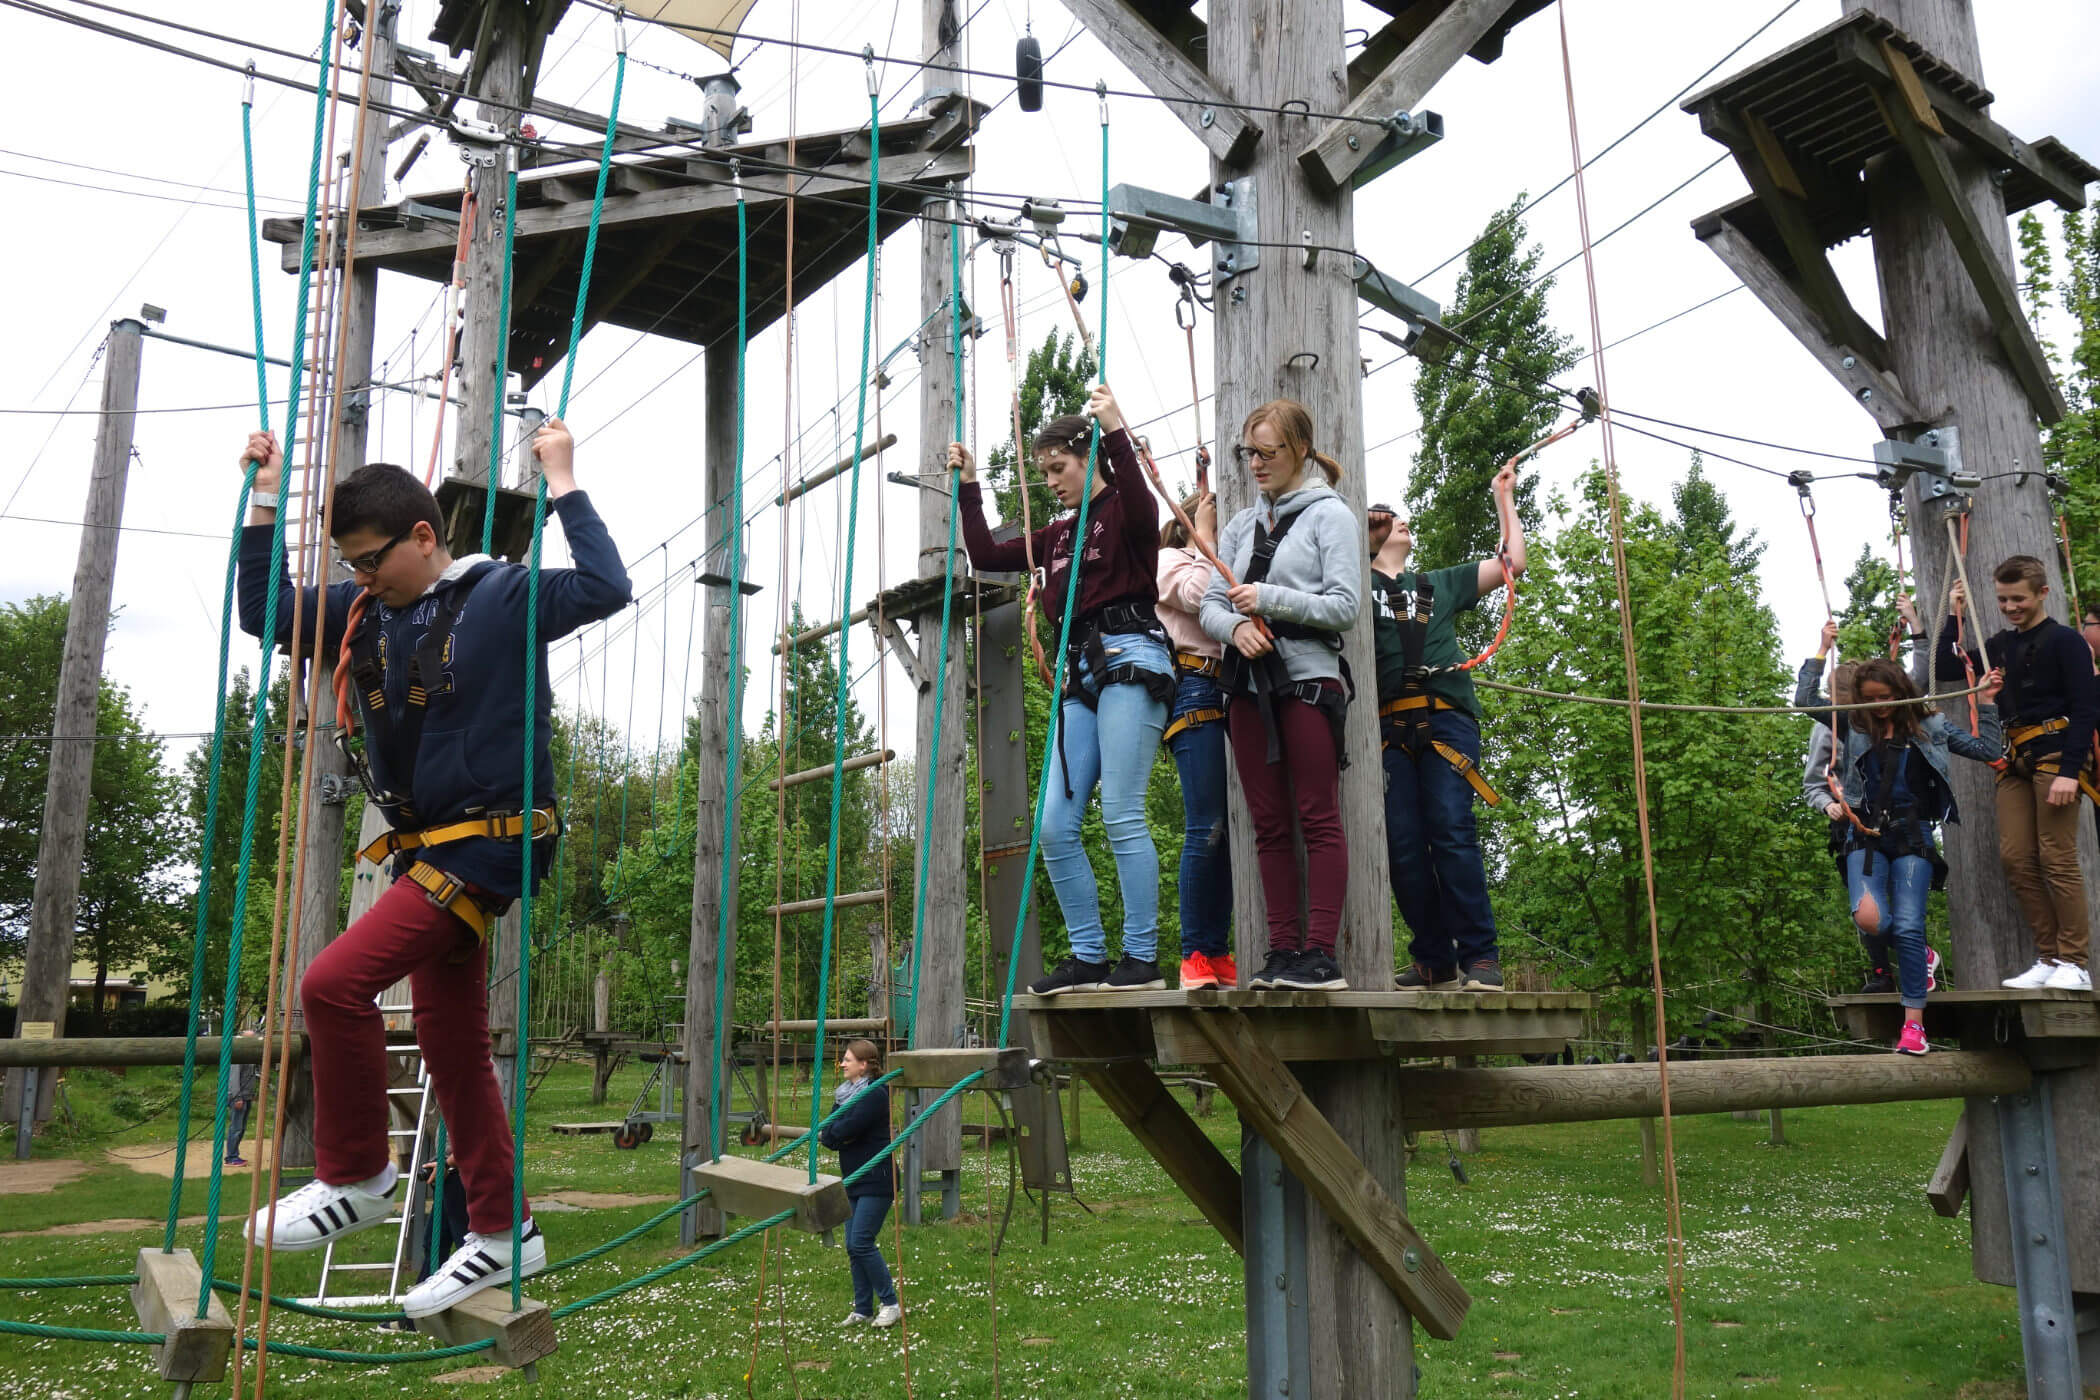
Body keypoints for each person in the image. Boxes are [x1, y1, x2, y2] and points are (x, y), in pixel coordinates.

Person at [232, 418, 631, 1317]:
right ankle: (502, 1230)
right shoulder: (362, 612)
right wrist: (263, 500)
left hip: (489, 844)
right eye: (349, 564)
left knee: (332, 985)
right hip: (429, 852)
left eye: (370, 560)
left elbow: (606, 585)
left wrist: (563, 478)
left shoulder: (502, 595)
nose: (360, 577)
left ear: (422, 536)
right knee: (452, 1047)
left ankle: (358, 1174)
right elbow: (266, 614)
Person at [951, 384, 1172, 995]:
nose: (1050, 481)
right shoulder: (1054, 536)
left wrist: (1116, 429)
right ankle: (1088, 955)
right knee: (1053, 826)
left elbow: (1143, 507)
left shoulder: (1123, 512)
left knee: (1122, 812)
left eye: (1059, 468)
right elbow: (985, 552)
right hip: (1081, 672)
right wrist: (969, 486)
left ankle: (1141, 956)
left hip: (1130, 657)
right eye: (1044, 471)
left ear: (1089, 459)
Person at [1198, 400, 1362, 991]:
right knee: (1268, 824)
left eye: (1268, 453)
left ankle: (1319, 954)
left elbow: (1345, 606)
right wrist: (1235, 629)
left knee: (1318, 816)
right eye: (1250, 453)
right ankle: (1283, 950)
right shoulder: (1241, 525)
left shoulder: (1330, 515)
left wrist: (1267, 599)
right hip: (1248, 687)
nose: (1256, 465)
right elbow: (1210, 603)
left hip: (1308, 680)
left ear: (1300, 450)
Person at [1372, 475, 1522, 994]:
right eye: (1389, 518)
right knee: (1402, 845)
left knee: (1451, 830)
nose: (1402, 522)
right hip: (1388, 727)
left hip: (1445, 719)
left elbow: (1512, 563)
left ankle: (1480, 955)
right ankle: (1433, 957)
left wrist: (1504, 498)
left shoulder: (1439, 583)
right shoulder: (1355, 586)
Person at [1808, 657, 2003, 1053]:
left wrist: (1986, 704)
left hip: (1912, 835)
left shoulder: (1932, 726)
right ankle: (1920, 955)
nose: (1878, 706)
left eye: (1885, 697)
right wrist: (1821, 652)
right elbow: (1804, 701)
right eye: (1868, 699)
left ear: (1900, 693)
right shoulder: (1854, 724)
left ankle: (1914, 1026)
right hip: (1865, 834)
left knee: (1911, 926)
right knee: (1870, 918)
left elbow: (1987, 749)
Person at [1939, 561, 2099, 992]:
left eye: (2018, 599)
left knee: (2057, 858)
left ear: (2042, 593)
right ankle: (2049, 957)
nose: (2010, 607)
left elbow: (2087, 708)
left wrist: (2071, 771)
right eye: (2003, 599)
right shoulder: (2001, 645)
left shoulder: (2066, 641)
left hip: (2056, 754)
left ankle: (2075, 963)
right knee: (2016, 858)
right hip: (2015, 759)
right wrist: (1954, 614)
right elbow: (1949, 668)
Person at [1794, 603, 1941, 994]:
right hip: (1853, 820)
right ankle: (1882, 970)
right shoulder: (1833, 726)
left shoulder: (1892, 715)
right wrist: (1828, 804)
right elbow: (1814, 783)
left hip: (1898, 821)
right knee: (1866, 905)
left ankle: (1913, 957)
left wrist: (1916, 627)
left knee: (1903, 902)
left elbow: (1918, 681)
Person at [1156, 490, 1235, 989]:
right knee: (1206, 823)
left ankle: (1217, 948)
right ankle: (1194, 953)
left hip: (1235, 688)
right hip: (1194, 685)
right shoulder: (1168, 559)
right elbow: (1198, 599)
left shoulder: (1232, 561)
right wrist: (1204, 538)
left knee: (1229, 831)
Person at [818, 1039, 901, 1328]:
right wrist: (836, 1134)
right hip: (854, 1178)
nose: (842, 1064)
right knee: (853, 1247)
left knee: (861, 1241)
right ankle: (863, 1308)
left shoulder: (875, 1094)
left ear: (863, 1065)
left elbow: (843, 1129)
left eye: (848, 1060)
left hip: (877, 1179)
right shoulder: (845, 1094)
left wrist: (837, 1134)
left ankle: (890, 1304)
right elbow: (829, 1133)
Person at [224, 1044, 259, 1168]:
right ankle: (231, 1157)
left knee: (242, 1128)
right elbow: (233, 1079)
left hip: (246, 1096)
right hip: (239, 1097)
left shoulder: (250, 1057)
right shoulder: (238, 1057)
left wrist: (252, 1094)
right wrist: (237, 1097)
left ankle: (234, 1155)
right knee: (236, 1128)